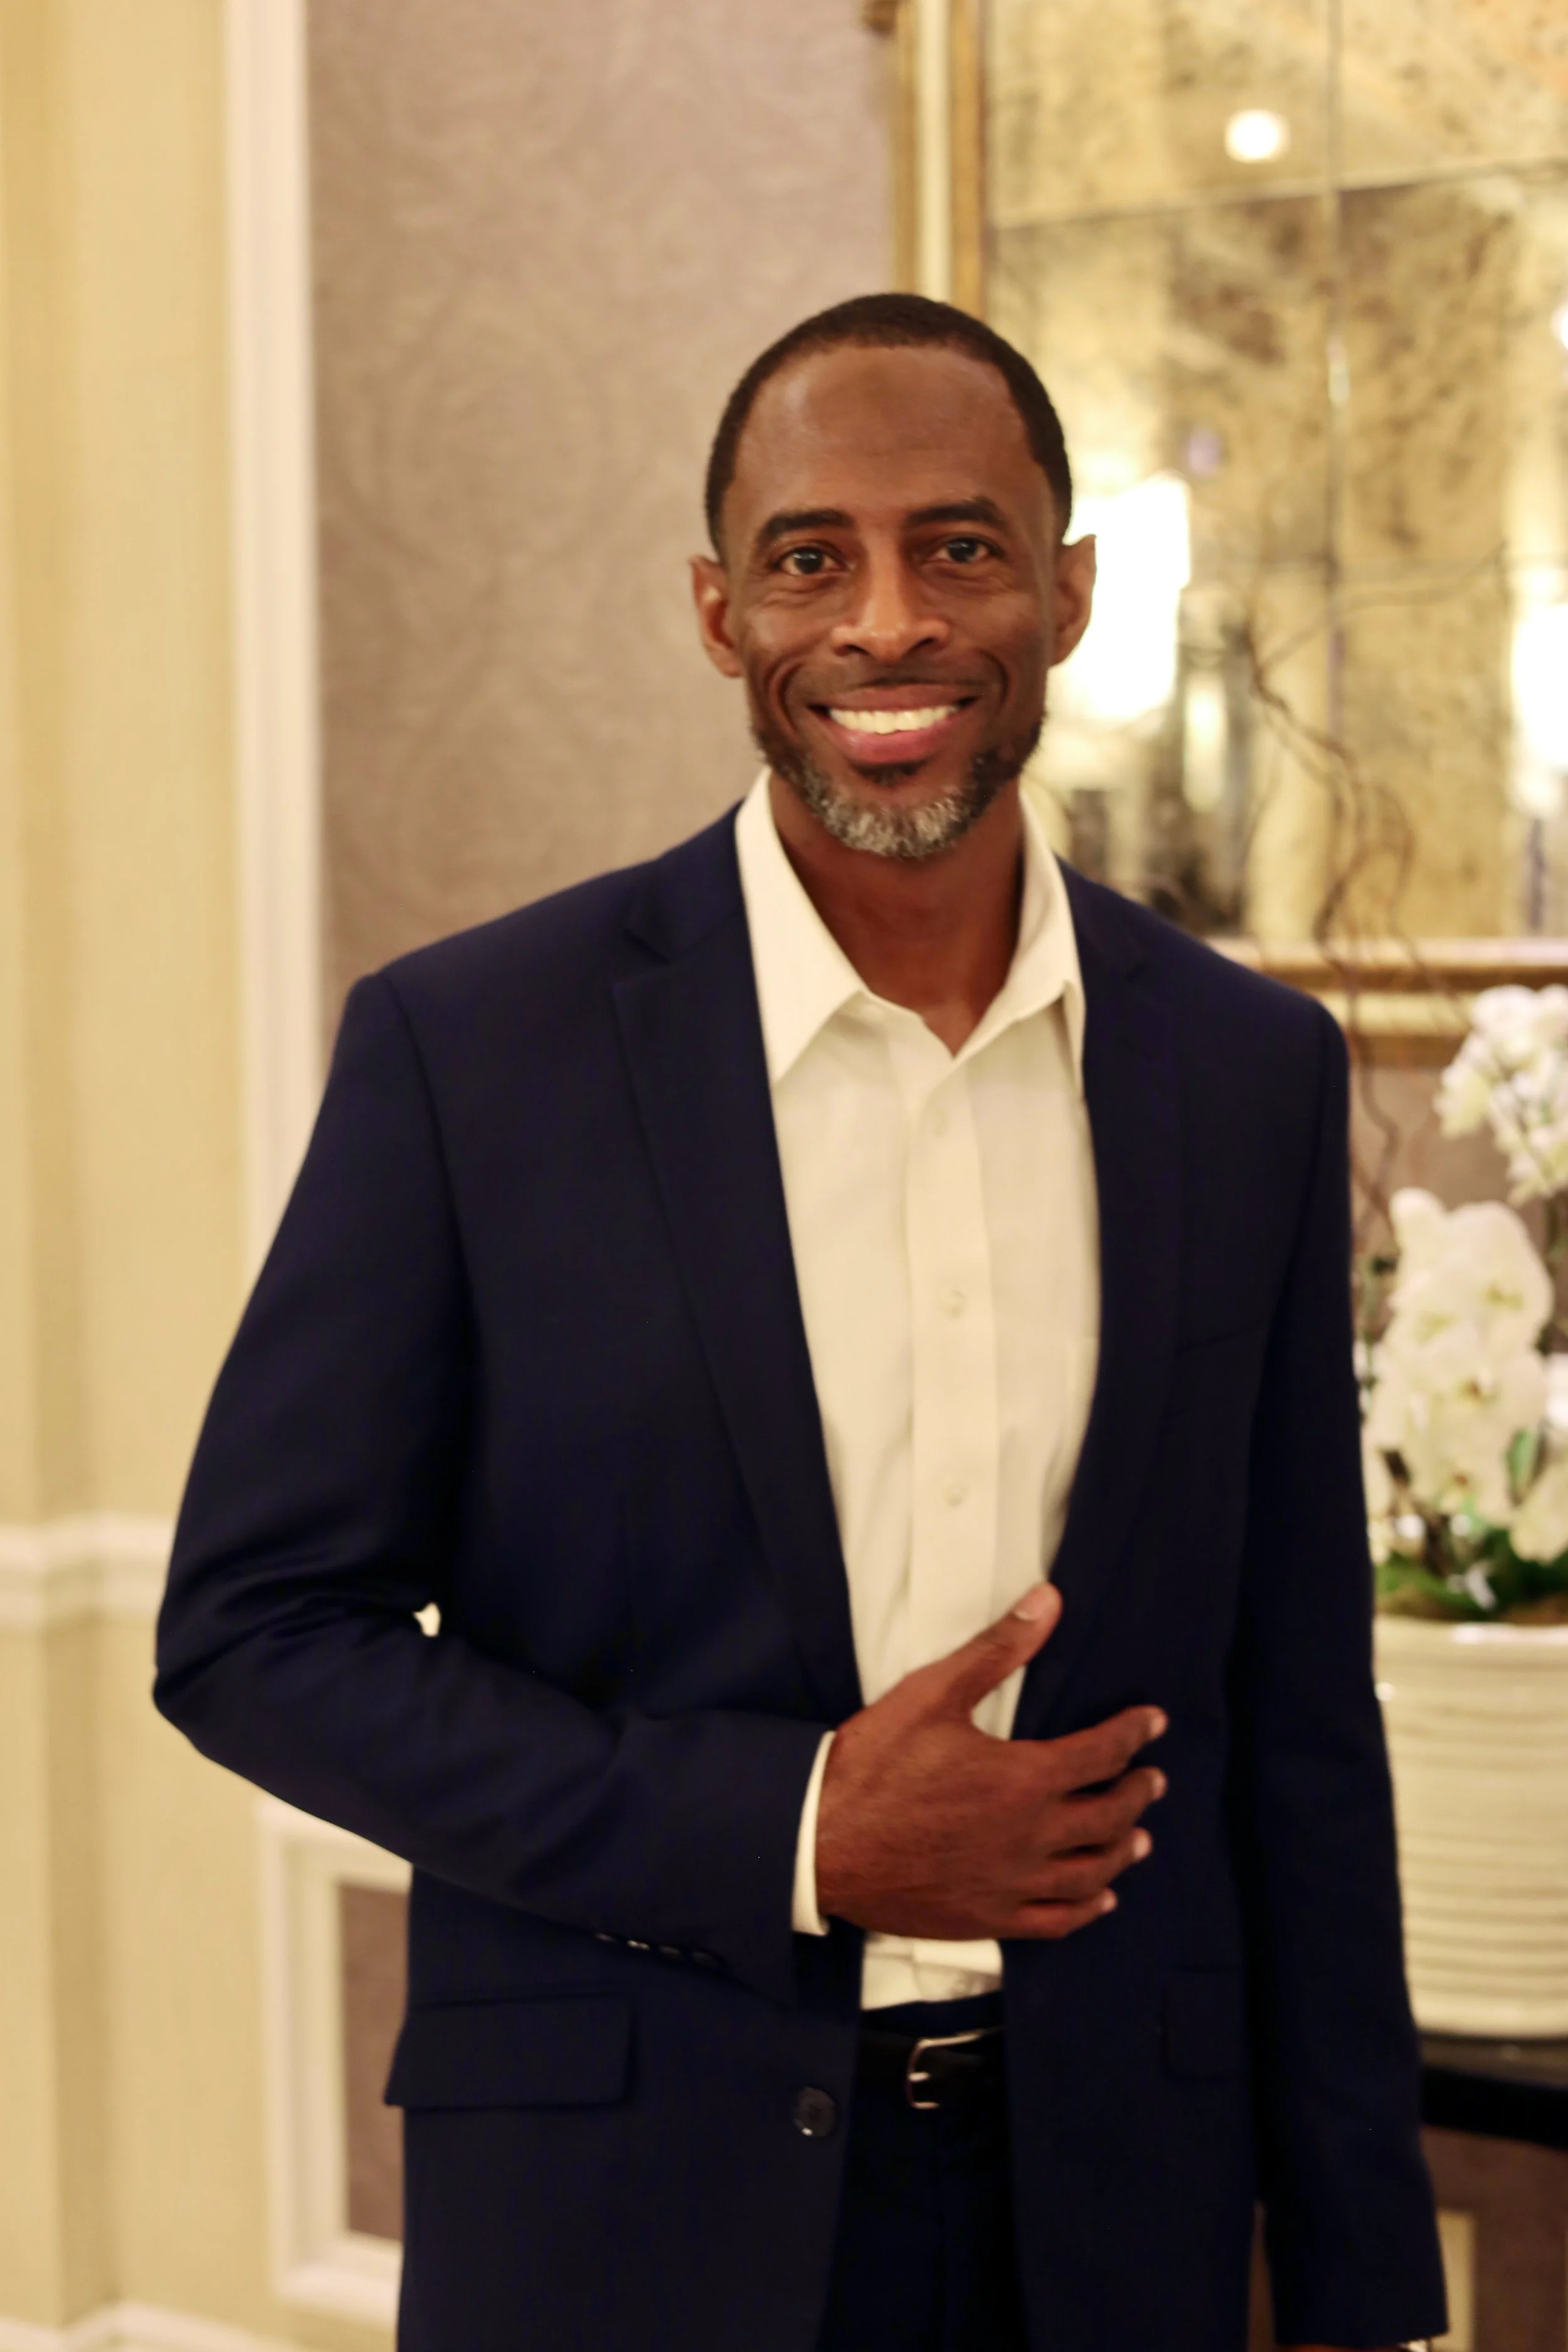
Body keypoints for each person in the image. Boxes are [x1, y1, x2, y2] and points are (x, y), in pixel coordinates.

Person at [155, 293, 1446, 2352]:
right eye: (808, 558)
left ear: (1068, 592)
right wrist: (791, 1829)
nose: (885, 624)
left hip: (1115, 2209)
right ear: (717, 611)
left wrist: (1365, 2283)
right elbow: (253, 1634)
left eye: (959, 547)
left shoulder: (1244, 1071)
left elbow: (1298, 1714)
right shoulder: (472, 1052)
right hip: (622, 2210)